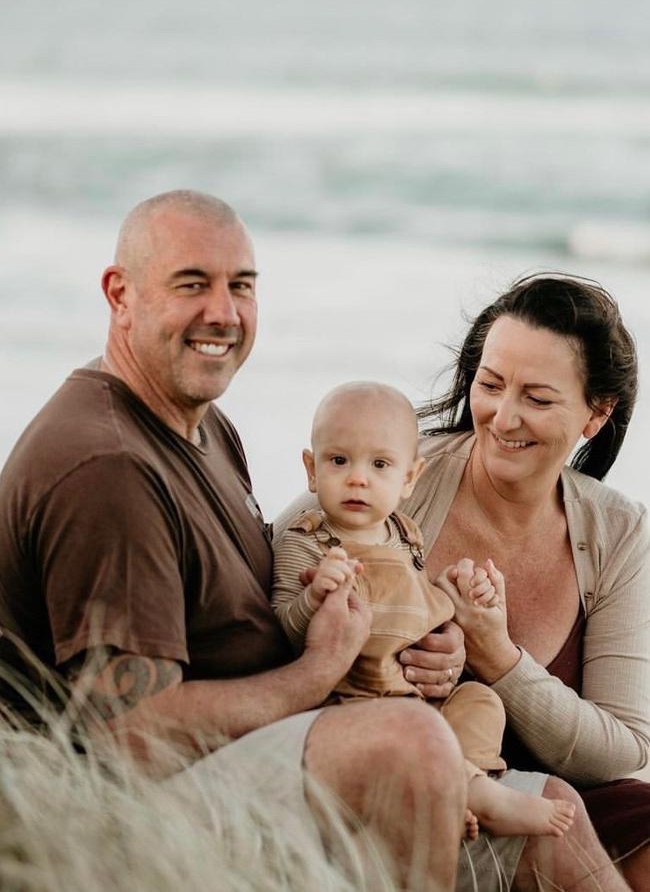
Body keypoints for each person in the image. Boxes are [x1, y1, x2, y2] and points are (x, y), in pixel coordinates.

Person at [0, 189, 469, 891]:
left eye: (242, 287)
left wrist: (418, 634)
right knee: (409, 746)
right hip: (116, 802)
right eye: (192, 284)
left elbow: (254, 596)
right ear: (119, 294)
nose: (223, 313)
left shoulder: (205, 426)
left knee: (554, 819)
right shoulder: (109, 468)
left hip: (241, 750)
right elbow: (130, 735)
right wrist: (315, 673)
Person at [405, 273, 649, 891]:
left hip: (567, 800)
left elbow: (624, 750)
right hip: (433, 792)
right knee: (553, 818)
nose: (502, 415)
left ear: (598, 413)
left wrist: (498, 659)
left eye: (537, 399)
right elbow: (289, 577)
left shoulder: (618, 531)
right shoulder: (395, 480)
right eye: (489, 385)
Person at [272, 380, 575, 840]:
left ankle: (465, 777)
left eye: (379, 465)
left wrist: (454, 597)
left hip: (419, 697)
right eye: (339, 461)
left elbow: (412, 607)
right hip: (350, 702)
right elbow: (282, 631)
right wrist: (312, 600)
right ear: (311, 471)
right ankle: (472, 794)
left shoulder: (404, 535)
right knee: (412, 736)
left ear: (408, 479)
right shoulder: (307, 540)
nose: (358, 478)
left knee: (482, 700)